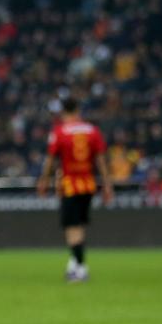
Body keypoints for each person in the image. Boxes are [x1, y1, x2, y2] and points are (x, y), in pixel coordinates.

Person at [36, 97, 113, 281]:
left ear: (63, 111)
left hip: (70, 186)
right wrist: (107, 184)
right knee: (79, 226)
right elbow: (101, 160)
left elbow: (51, 160)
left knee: (72, 228)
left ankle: (80, 268)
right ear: (78, 110)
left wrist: (44, 181)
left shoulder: (59, 131)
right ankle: (74, 263)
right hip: (88, 185)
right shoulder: (92, 130)